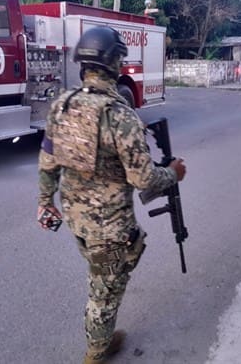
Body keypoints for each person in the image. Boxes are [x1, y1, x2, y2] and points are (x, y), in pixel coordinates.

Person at [37, 26, 187, 363]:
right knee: (104, 291)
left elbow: (47, 161)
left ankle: (100, 336)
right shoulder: (121, 116)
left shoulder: (62, 105)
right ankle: (97, 349)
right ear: (115, 63)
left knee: (102, 276)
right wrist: (174, 173)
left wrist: (45, 202)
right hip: (110, 229)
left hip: (77, 220)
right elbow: (144, 178)